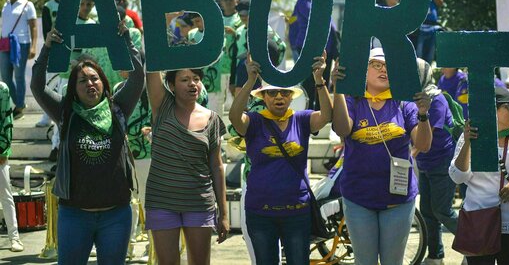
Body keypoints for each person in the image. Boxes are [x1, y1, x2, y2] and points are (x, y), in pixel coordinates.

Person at [31, 21, 144, 264]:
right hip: (74, 216)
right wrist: (47, 49)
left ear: (103, 83)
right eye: (82, 81)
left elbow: (137, 79)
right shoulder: (65, 112)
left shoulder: (119, 109)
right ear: (74, 88)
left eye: (94, 78)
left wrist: (127, 42)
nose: (89, 84)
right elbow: (37, 87)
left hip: (116, 216)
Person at [331, 48, 433, 265]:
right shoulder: (352, 100)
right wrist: (338, 90)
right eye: (377, 65)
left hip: (398, 200)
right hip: (358, 198)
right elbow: (342, 129)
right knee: (365, 261)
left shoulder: (404, 103)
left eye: (388, 67)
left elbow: (423, 145)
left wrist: (423, 115)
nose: (383, 70)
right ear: (364, 70)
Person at [229, 51, 331, 264]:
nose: (278, 97)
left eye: (284, 93)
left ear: (291, 97)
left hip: (297, 213)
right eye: (272, 93)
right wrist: (250, 81)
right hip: (261, 212)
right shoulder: (254, 121)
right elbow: (234, 117)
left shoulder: (301, 119)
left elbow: (326, 116)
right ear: (263, 97)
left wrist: (319, 80)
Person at [145, 66, 230, 264]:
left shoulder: (212, 119)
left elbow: (216, 167)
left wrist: (224, 214)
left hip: (199, 203)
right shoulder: (162, 106)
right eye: (184, 80)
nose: (192, 84)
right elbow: (151, 67)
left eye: (196, 78)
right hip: (162, 202)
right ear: (172, 86)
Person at [450, 87, 509, 265]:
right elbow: (457, 177)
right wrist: (468, 142)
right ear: (493, 110)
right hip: (478, 223)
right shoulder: (471, 138)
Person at [413, 59, 457, 265]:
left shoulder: (436, 100)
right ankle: (435, 255)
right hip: (426, 165)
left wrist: (410, 154)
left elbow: (430, 133)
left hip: (442, 163)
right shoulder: (412, 99)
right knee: (428, 213)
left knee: (443, 211)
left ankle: (476, 246)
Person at [1, 0, 38, 120]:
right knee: (5, 76)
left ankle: (19, 105)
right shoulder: (5, 5)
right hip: (5, 43)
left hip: (21, 44)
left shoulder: (28, 5)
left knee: (18, 75)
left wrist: (33, 46)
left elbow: (34, 27)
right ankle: (19, 103)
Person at [36, 0, 64, 129]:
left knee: (65, 83)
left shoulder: (74, 4)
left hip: (70, 50)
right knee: (48, 83)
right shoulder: (48, 6)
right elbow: (46, 29)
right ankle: (46, 116)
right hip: (54, 49)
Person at [0, 80, 23, 251]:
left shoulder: (2, 89)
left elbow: (7, 120)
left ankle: (14, 237)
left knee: (6, 196)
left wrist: (3, 150)